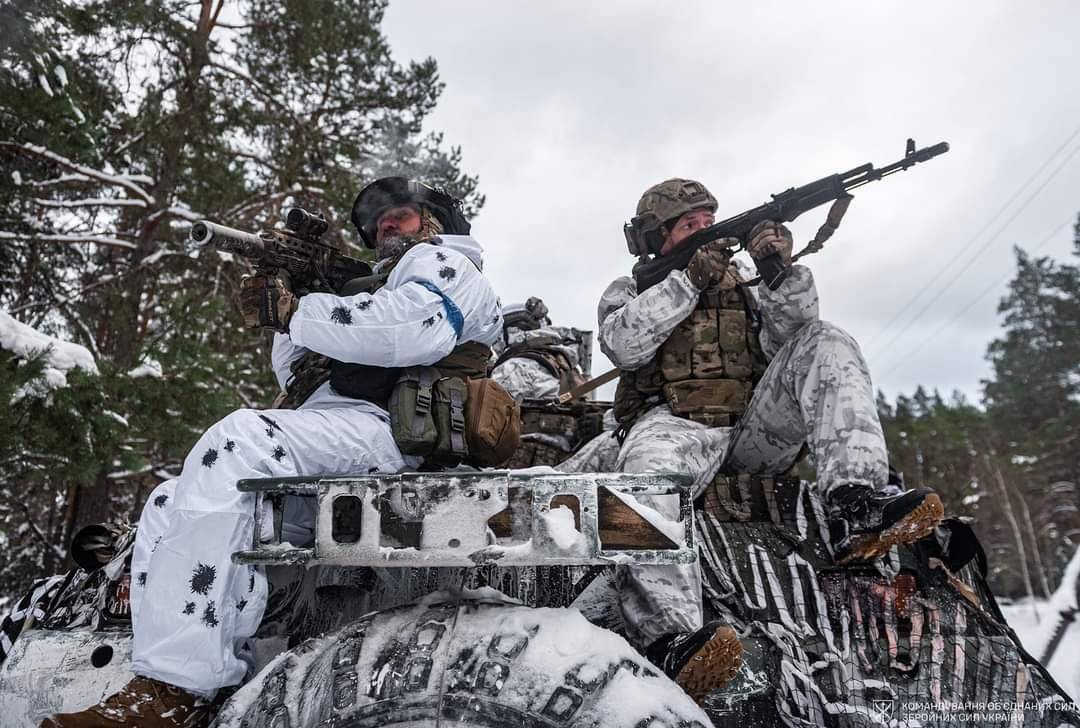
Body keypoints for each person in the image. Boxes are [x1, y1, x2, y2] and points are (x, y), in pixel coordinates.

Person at [43, 178, 504, 727]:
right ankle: (186, 685)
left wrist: (296, 310)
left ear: (437, 220)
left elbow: (410, 330)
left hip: (395, 438)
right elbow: (301, 373)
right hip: (337, 436)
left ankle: (175, 690)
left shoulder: (447, 264)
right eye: (378, 222)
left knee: (235, 441)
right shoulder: (371, 288)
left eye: (398, 214)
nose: (385, 225)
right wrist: (286, 290)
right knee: (171, 505)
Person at [602, 178, 945, 702]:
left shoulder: (746, 286)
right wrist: (686, 283)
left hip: (752, 429)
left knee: (827, 338)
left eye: (708, 219)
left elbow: (795, 341)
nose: (705, 230)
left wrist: (779, 270)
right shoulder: (631, 290)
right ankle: (670, 638)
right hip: (675, 425)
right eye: (689, 224)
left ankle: (858, 500)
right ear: (658, 238)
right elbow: (623, 345)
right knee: (639, 478)